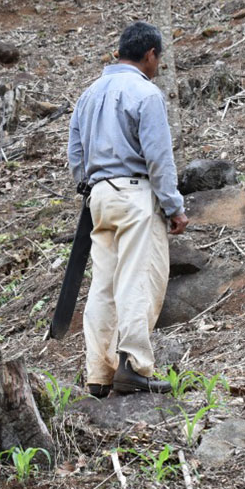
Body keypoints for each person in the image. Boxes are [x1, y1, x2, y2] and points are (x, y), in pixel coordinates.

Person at [67, 21, 189, 396]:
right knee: (138, 277)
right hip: (135, 194)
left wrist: (88, 185)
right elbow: (158, 157)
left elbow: (75, 152)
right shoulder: (145, 93)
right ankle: (133, 365)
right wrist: (174, 206)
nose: (158, 67)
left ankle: (98, 373)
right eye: (158, 60)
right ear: (150, 55)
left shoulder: (88, 95)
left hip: (99, 196)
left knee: (104, 283)